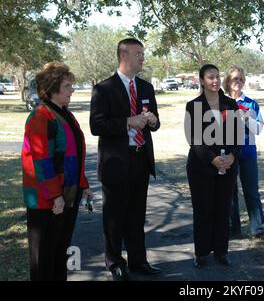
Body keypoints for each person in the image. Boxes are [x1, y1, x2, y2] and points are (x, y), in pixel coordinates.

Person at [90, 38, 161, 281]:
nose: (142, 57)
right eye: (138, 53)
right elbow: (96, 125)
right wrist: (126, 122)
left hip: (141, 160)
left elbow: (156, 123)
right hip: (116, 163)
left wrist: (151, 121)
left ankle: (139, 261)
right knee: (114, 217)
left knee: (137, 215)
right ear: (124, 56)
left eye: (142, 53)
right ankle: (114, 263)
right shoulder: (104, 89)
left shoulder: (146, 88)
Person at [22, 62, 93, 281]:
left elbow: (75, 154)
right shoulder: (41, 116)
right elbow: (42, 161)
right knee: (43, 257)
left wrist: (84, 185)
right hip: (47, 201)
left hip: (67, 195)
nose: (72, 90)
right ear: (52, 89)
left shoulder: (65, 114)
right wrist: (55, 196)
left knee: (59, 252)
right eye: (67, 86)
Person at [184, 64, 242, 269]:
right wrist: (213, 159)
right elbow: (194, 139)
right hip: (201, 167)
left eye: (217, 77)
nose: (215, 81)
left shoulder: (230, 104)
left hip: (228, 166)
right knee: (203, 210)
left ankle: (221, 251)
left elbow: (239, 135)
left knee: (222, 209)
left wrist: (233, 156)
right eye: (210, 77)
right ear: (201, 81)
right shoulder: (193, 105)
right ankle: (201, 253)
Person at [223, 66, 264, 244]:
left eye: (240, 79)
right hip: (227, 153)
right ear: (228, 82)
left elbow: (259, 129)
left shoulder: (251, 104)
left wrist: (246, 118)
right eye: (234, 79)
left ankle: (259, 229)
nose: (237, 82)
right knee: (229, 192)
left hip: (247, 152)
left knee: (252, 192)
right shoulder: (221, 102)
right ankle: (233, 229)